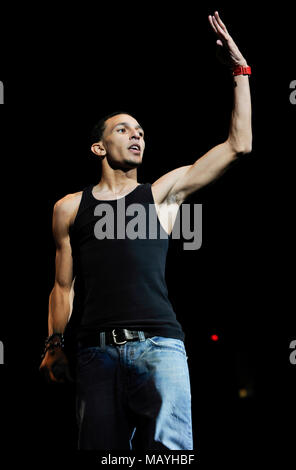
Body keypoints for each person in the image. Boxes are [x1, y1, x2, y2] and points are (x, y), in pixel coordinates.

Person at [39, 11, 252, 451]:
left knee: (170, 458)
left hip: (160, 347)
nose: (136, 135)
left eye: (140, 131)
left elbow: (239, 145)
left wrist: (240, 70)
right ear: (99, 147)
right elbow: (63, 287)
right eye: (123, 129)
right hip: (94, 354)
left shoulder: (161, 195)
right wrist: (53, 344)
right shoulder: (69, 208)